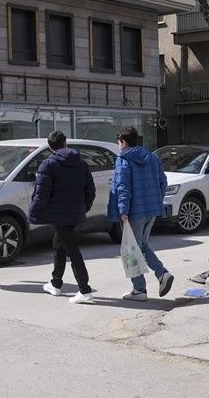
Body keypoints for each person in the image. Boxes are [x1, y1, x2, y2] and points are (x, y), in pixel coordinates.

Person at [29, 131, 96, 304]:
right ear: (65, 144)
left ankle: (84, 289)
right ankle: (56, 283)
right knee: (58, 245)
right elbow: (90, 190)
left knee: (72, 251)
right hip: (75, 213)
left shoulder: (48, 164)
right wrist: (84, 207)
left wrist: (33, 213)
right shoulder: (81, 163)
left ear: (50, 147)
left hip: (59, 215)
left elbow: (41, 195)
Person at [108, 127, 174, 301]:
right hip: (151, 209)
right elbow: (163, 182)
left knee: (131, 250)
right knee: (141, 245)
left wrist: (123, 211)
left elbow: (123, 187)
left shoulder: (123, 160)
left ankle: (140, 289)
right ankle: (161, 274)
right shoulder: (152, 158)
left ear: (123, 141)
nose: (119, 146)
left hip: (134, 212)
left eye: (119, 143)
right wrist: (156, 201)